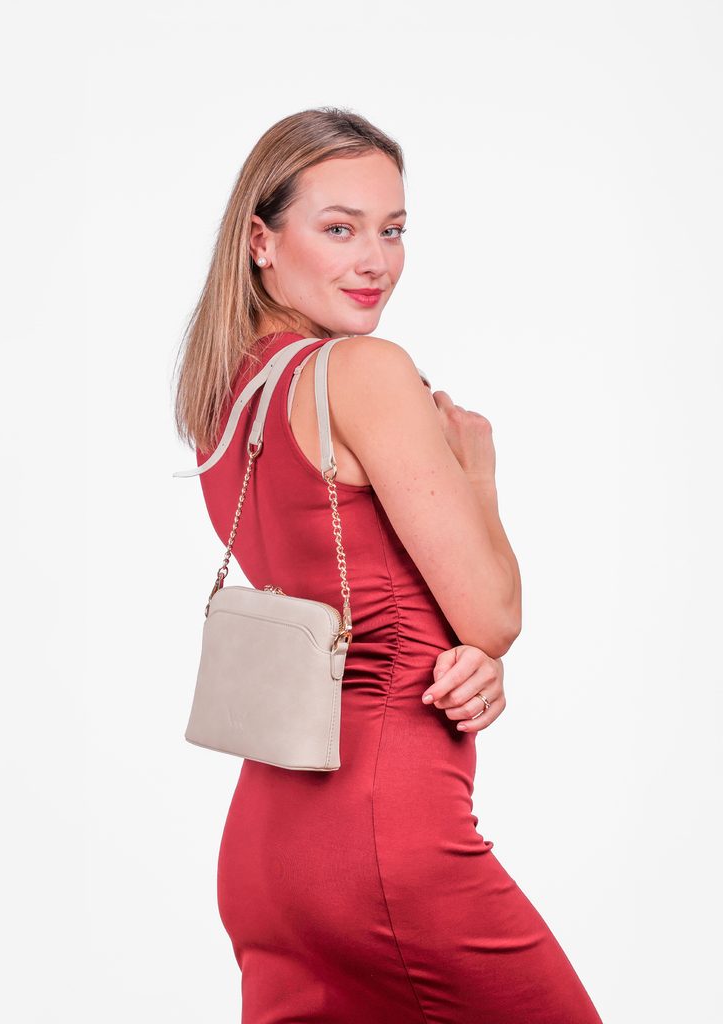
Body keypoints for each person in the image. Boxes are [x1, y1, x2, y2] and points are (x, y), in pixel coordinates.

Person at [173, 107, 603, 1024]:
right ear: (260, 240)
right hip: (387, 841)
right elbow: (492, 614)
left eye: (393, 230)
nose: (376, 261)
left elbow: (358, 605)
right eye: (340, 229)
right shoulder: (362, 372)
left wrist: (457, 657)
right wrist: (477, 471)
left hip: (267, 859)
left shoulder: (223, 395)